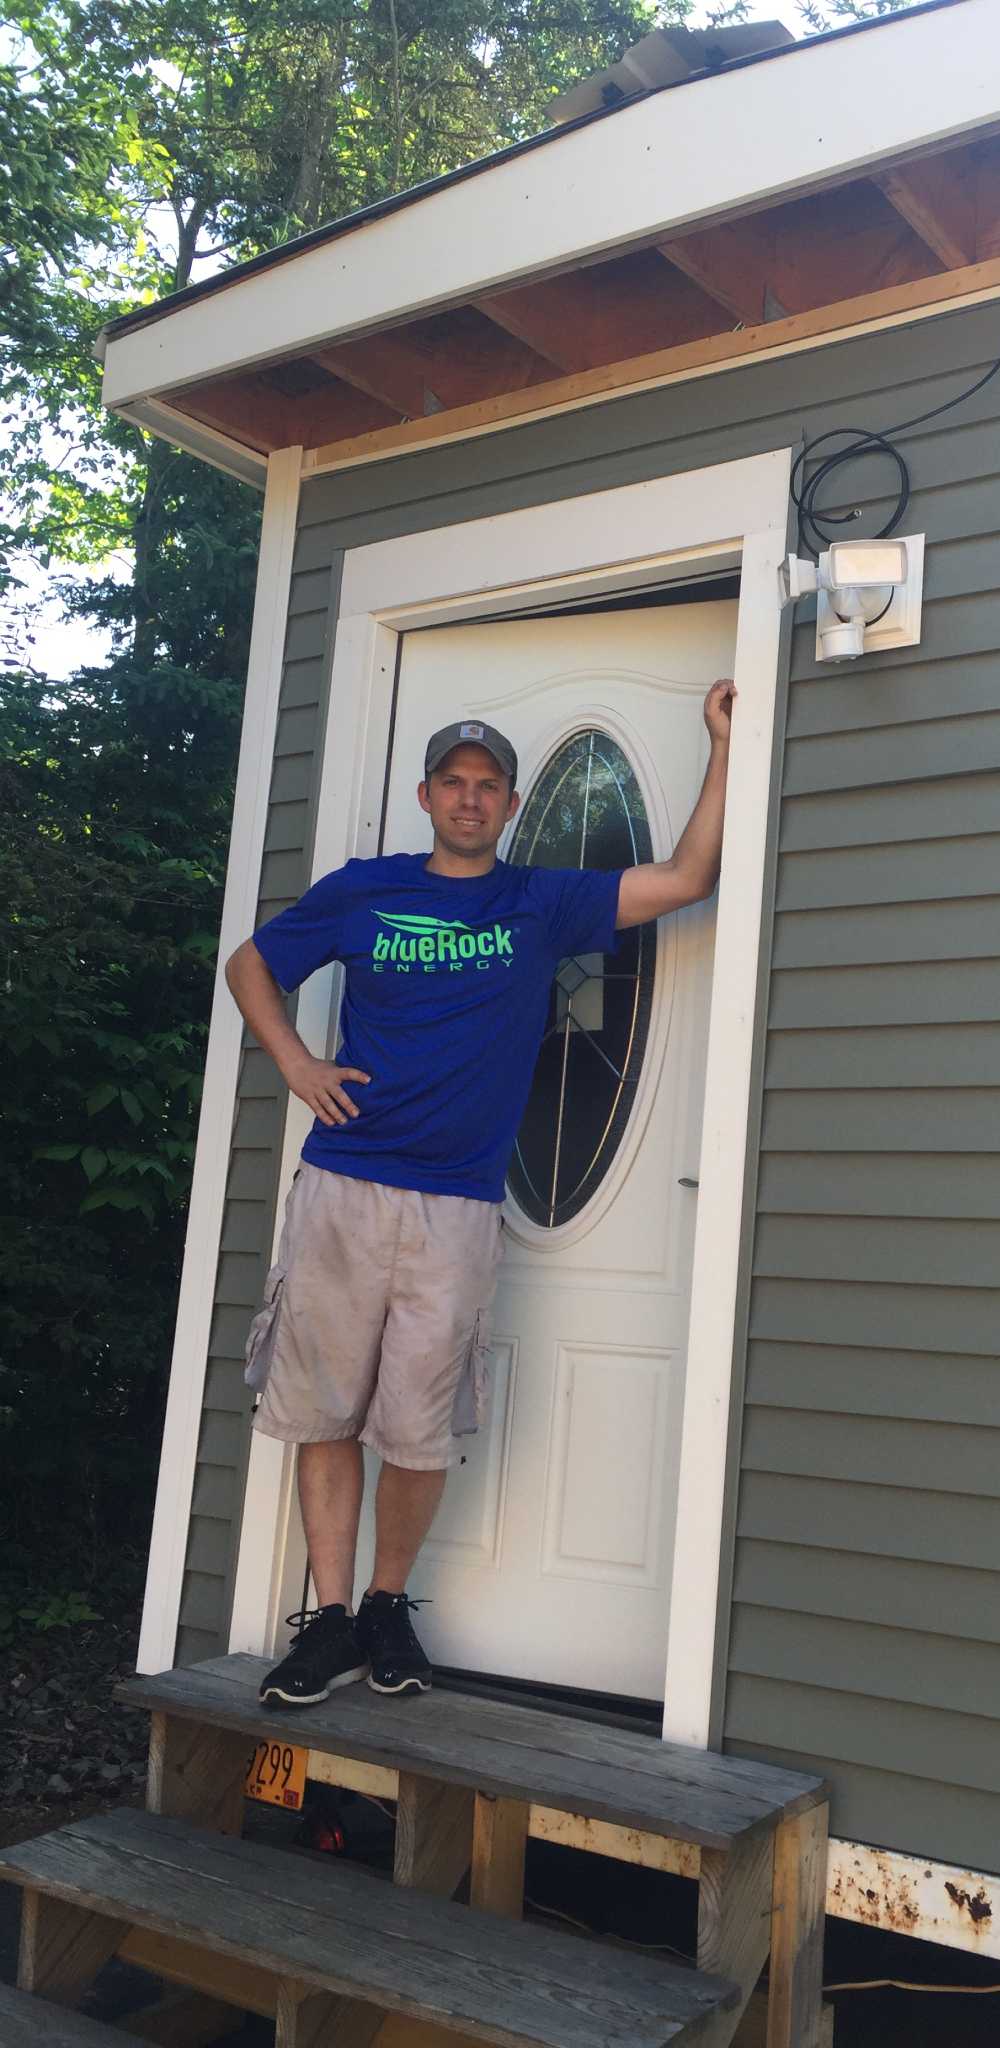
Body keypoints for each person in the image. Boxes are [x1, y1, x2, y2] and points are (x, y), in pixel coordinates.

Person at [225, 681, 736, 1707]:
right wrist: (295, 1063)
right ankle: (327, 1622)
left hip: (456, 1202)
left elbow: (685, 876)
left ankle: (383, 1606)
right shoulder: (363, 888)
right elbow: (250, 963)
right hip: (345, 1187)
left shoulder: (539, 902)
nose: (469, 799)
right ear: (426, 795)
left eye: (487, 786)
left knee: (416, 1420)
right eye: (453, 782)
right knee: (325, 1409)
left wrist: (723, 742)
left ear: (507, 805)